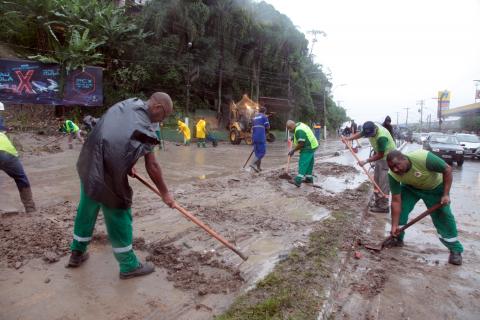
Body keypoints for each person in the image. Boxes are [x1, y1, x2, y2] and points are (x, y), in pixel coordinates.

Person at [67, 92, 175, 279]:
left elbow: (116, 134)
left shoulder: (127, 105)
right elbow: (152, 165)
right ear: (157, 108)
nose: (162, 120)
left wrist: (128, 164)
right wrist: (165, 193)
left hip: (88, 162)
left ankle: (76, 253)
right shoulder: (146, 125)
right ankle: (128, 265)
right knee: (119, 212)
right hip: (107, 171)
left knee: (87, 207)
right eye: (164, 115)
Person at [386, 149, 463, 265]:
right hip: (410, 188)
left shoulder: (423, 158)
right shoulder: (392, 175)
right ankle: (397, 238)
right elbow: (396, 201)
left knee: (444, 217)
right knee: (400, 210)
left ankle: (455, 251)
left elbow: (447, 169)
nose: (395, 169)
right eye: (392, 167)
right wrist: (394, 225)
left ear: (404, 158)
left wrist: (445, 194)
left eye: (397, 165)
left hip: (435, 188)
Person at [345, 121, 396, 213]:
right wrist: (348, 138)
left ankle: (384, 206)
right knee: (376, 180)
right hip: (380, 158)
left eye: (371, 134)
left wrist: (365, 161)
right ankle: (378, 202)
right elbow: (360, 134)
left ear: (375, 129)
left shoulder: (381, 137)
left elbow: (380, 155)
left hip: (388, 158)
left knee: (383, 183)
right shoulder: (370, 128)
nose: (369, 136)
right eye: (367, 135)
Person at [0, 125, 36, 213]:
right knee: (21, 178)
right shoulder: (3, 133)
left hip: (6, 153)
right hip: (7, 153)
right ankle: (30, 208)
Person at [286, 120, 319, 187]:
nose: (289, 131)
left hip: (308, 147)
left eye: (289, 129)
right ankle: (309, 179)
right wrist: (293, 137)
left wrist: (293, 151)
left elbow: (301, 144)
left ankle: (298, 180)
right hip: (313, 144)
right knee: (309, 162)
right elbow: (299, 135)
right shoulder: (298, 124)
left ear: (291, 127)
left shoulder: (299, 131)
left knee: (303, 162)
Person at [249, 107, 270, 172]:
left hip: (254, 137)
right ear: (264, 112)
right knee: (262, 152)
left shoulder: (254, 118)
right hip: (260, 136)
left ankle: (258, 168)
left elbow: (251, 128)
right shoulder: (264, 116)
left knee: (257, 153)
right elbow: (268, 126)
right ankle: (252, 163)